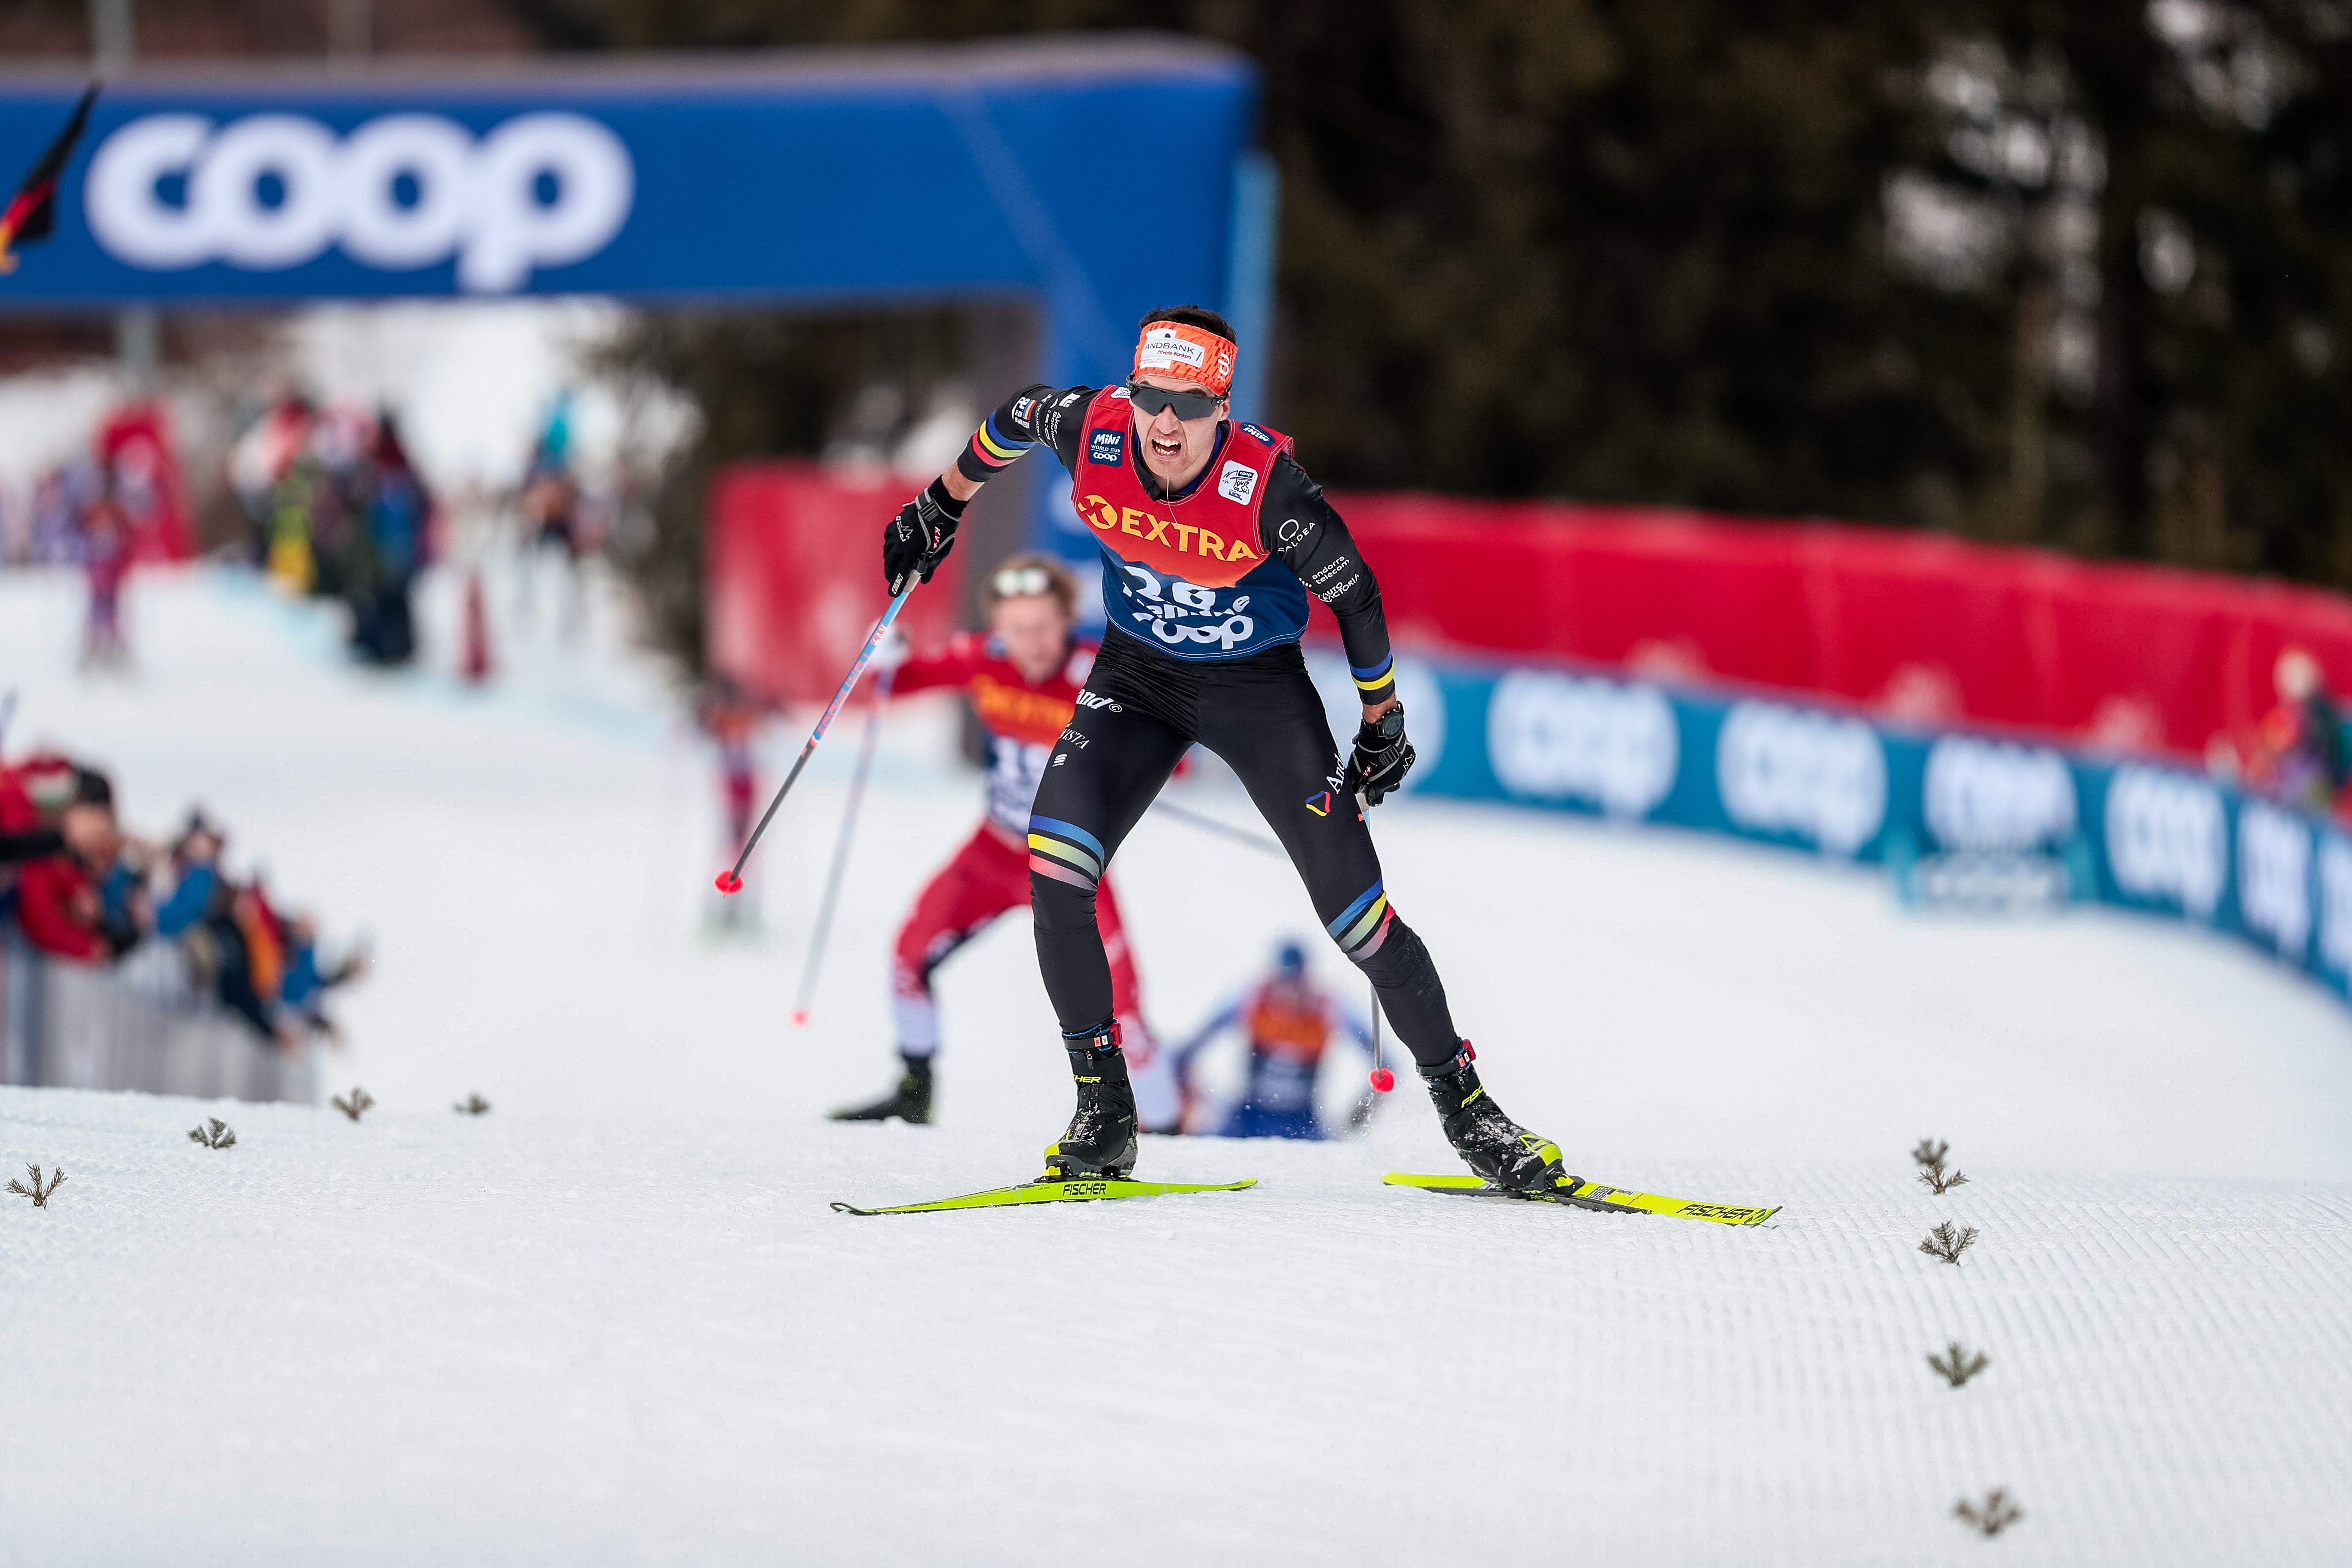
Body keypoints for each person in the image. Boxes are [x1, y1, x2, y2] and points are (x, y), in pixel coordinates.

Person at [879, 306, 1568, 1190]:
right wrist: (940, 503)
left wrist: (1382, 720)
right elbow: (1016, 416)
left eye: (1190, 405)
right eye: (1151, 398)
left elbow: (1356, 597)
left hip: (1256, 693)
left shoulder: (1269, 489)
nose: (1165, 423)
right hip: (1138, 678)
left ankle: (1471, 1113)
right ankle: (1104, 1112)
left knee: (1359, 921)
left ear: (1223, 410)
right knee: (1055, 864)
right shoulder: (1091, 429)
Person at [832, 553, 1175, 1129]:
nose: (1031, 643)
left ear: (1068, 621)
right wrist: (883, 652)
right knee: (909, 955)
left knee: (1125, 1006)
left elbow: (1172, 743)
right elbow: (893, 682)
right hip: (993, 851)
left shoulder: (1099, 672)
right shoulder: (983, 657)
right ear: (997, 628)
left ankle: (1167, 1129)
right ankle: (913, 1094)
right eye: (1017, 629)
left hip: (1069, 863)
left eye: (1043, 627)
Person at [1175, 939, 1376, 1140]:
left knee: (1337, 1155)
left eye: (1296, 984)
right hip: (1248, 1115)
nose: (1289, 995)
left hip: (1303, 1121)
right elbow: (1188, 1051)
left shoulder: (1328, 1009)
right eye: (1283, 983)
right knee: (1195, 1145)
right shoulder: (1251, 1000)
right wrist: (1193, 1097)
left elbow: (1382, 1064)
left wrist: (1359, 1113)